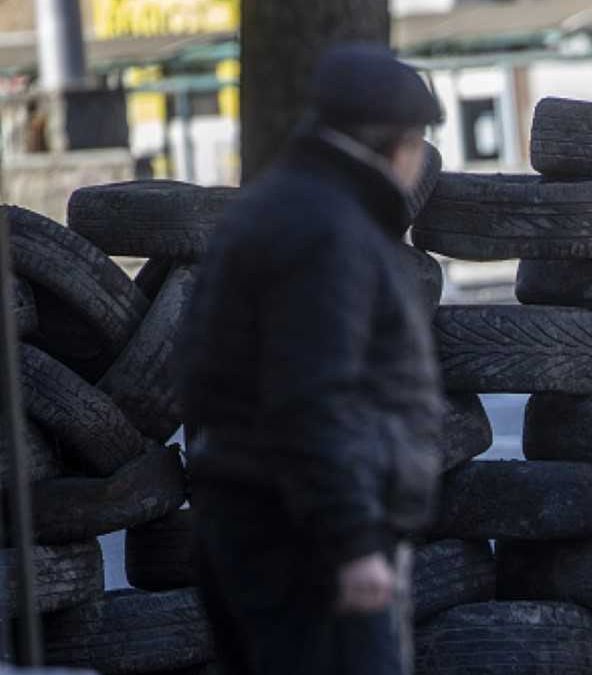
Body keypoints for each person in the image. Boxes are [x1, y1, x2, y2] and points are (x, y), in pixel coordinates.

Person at [178, 44, 444, 675]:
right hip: (307, 545)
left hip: (252, 520)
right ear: (396, 145)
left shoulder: (275, 208)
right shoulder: (328, 233)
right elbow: (313, 398)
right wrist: (353, 544)